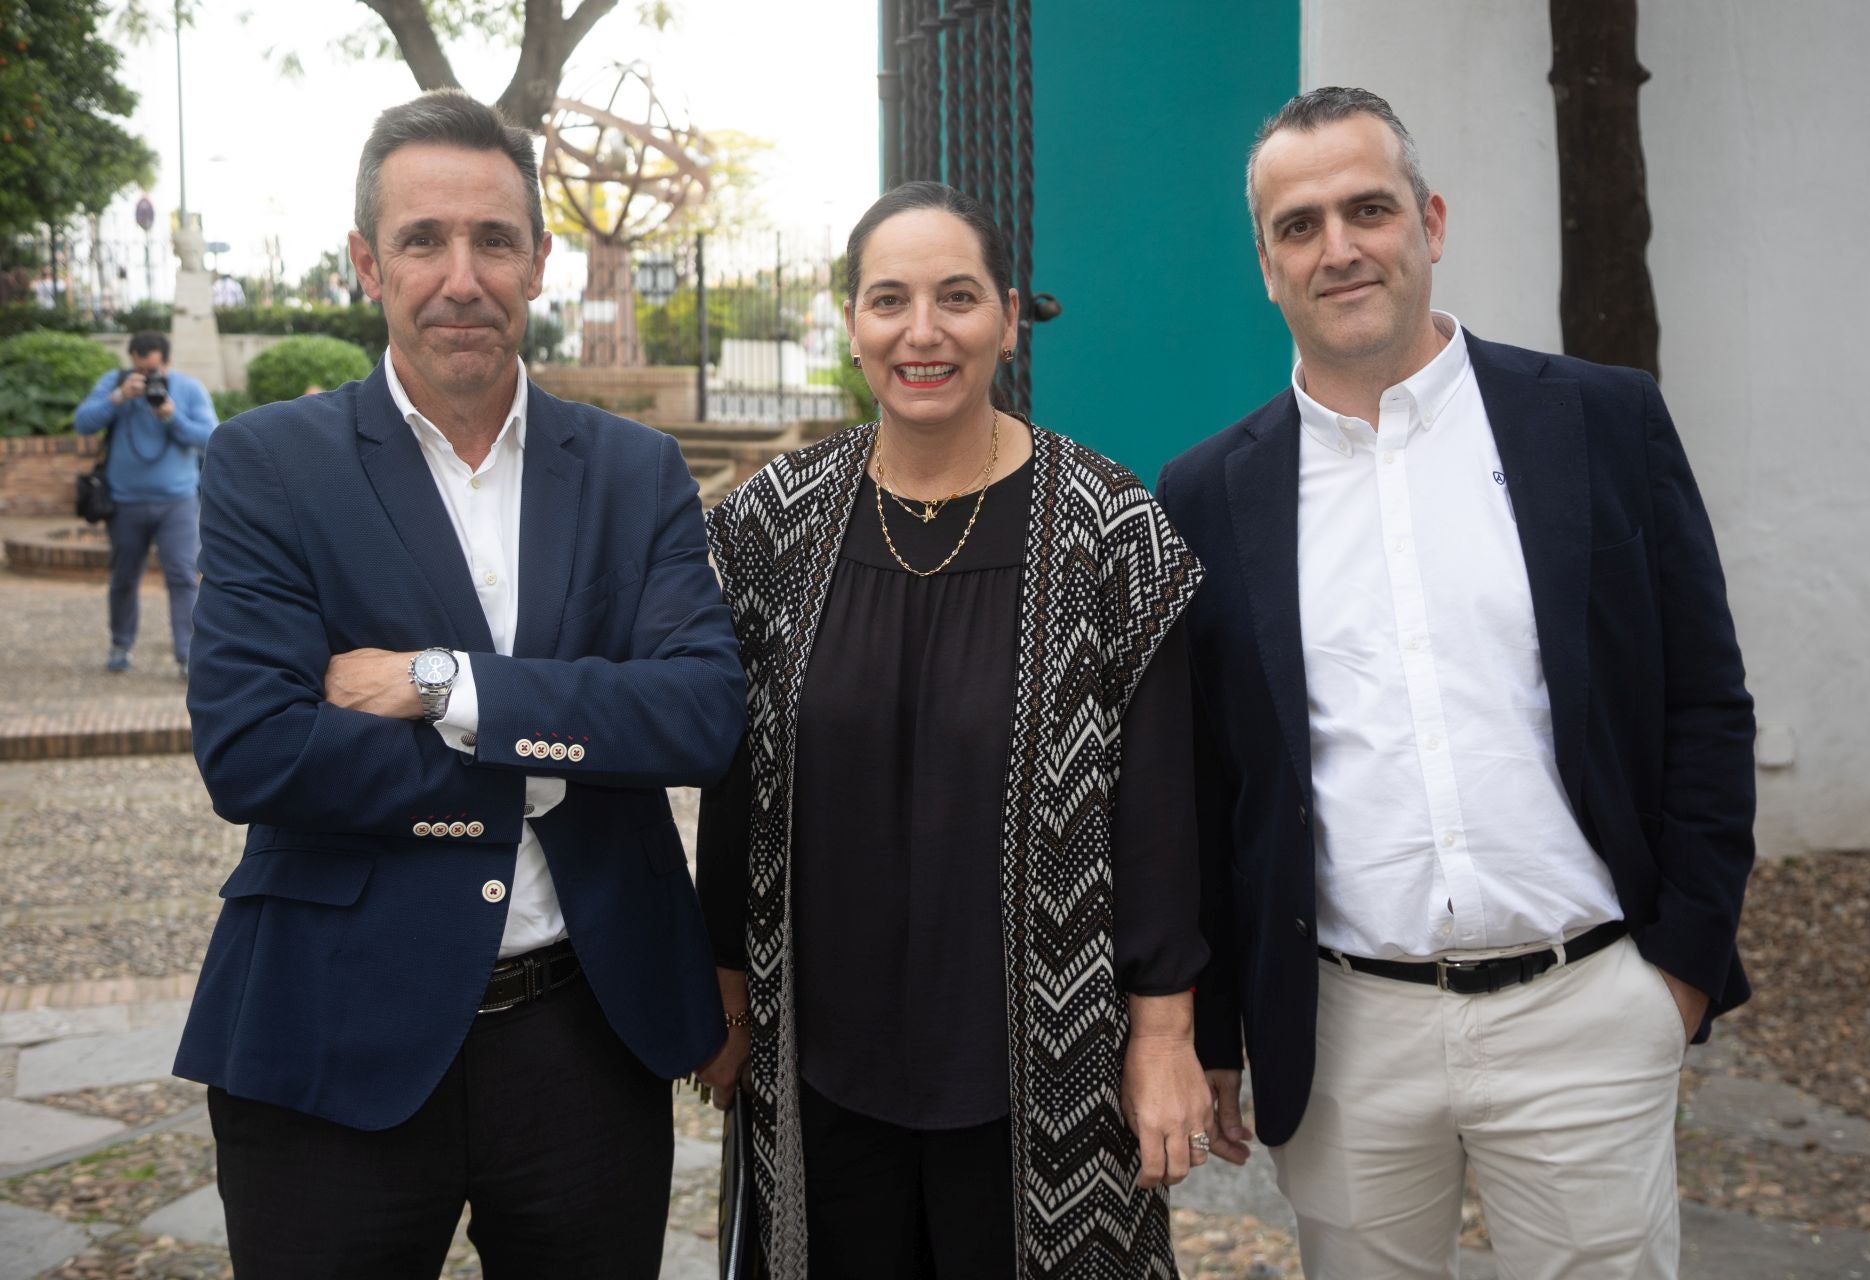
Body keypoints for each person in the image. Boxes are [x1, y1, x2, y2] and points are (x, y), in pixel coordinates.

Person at [1156, 87, 1756, 1279]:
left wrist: (1678, 968)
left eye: (1368, 209)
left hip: (1586, 1006)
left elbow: (1704, 697)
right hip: (1345, 1032)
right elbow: (1212, 784)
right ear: (1266, 263)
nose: (1339, 248)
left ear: (1430, 221)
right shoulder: (1208, 493)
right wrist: (1216, 1026)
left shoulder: (1599, 420)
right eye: (1299, 224)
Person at [174, 89, 746, 1279]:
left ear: (538, 260)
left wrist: (446, 685)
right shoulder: (269, 467)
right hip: (334, 1031)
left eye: (493, 240)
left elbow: (698, 714)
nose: (461, 274)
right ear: (365, 264)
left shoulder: (636, 473)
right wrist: (561, 745)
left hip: (586, 1036)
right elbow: (258, 750)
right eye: (423, 239)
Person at [696, 180, 1215, 1278]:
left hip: (1050, 1074)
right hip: (822, 1066)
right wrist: (728, 987)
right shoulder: (774, 524)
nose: (921, 331)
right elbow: (740, 780)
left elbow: (1163, 813)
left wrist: (1165, 1033)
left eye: (957, 297)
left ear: (1009, 316)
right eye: (889, 299)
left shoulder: (1111, 533)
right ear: (851, 322)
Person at [73, 332, 218, 677]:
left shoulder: (188, 388)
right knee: (123, 577)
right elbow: (82, 423)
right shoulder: (116, 384)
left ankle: (187, 655)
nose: (147, 377)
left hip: (177, 501)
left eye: (154, 371)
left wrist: (172, 416)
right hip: (125, 502)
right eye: (140, 369)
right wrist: (118, 398)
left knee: (183, 577)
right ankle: (120, 645)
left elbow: (212, 435)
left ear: (166, 362)